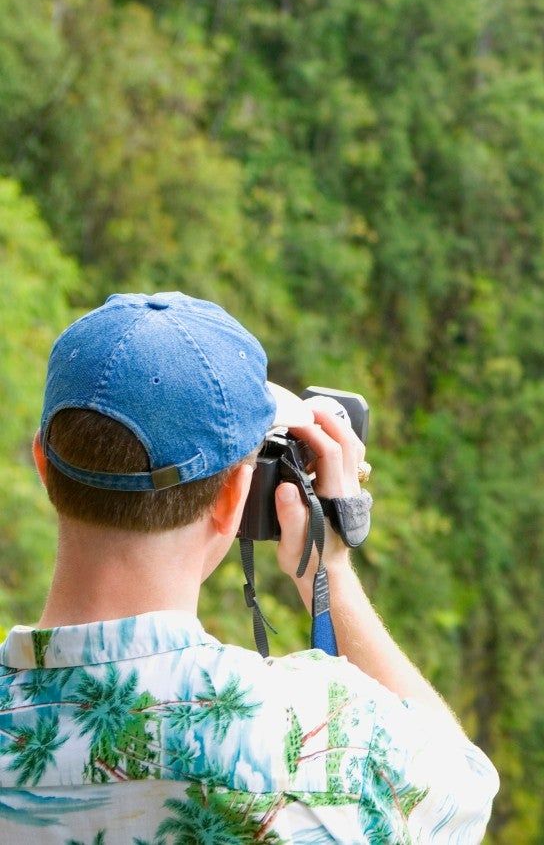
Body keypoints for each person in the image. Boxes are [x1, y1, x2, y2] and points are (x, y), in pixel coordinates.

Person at [0, 292, 497, 842]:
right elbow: (464, 796)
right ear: (233, 494)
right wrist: (328, 571)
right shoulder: (324, 740)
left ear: (42, 462)